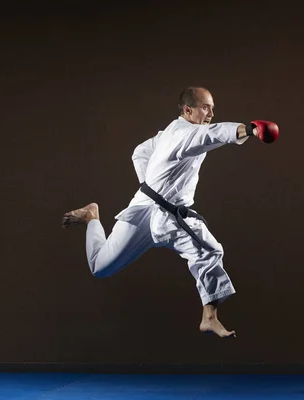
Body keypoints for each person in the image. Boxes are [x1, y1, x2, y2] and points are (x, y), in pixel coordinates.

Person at [62, 87, 279, 338]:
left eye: (212, 108)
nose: (211, 112)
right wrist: (250, 129)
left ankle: (209, 317)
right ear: (188, 110)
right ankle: (92, 217)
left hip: (160, 211)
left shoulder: (169, 132)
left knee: (209, 251)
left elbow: (140, 151)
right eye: (205, 107)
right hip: (151, 213)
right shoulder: (186, 135)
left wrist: (150, 186)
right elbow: (213, 134)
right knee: (101, 267)